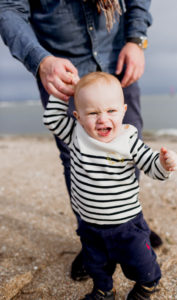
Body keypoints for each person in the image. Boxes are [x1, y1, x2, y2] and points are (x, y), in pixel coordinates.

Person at [0, 0, 162, 282]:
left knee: (129, 147)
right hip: (63, 71)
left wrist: (137, 39)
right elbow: (8, 9)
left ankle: (130, 226)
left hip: (118, 57)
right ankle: (93, 236)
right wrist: (40, 60)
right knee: (75, 156)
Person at [43, 72, 177, 300]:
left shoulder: (128, 141)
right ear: (77, 116)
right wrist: (61, 95)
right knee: (96, 265)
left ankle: (148, 285)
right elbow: (52, 120)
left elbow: (151, 166)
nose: (102, 119)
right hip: (90, 225)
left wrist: (165, 163)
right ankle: (104, 290)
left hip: (127, 225)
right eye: (93, 112)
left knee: (141, 264)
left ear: (124, 111)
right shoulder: (76, 133)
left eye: (111, 111)